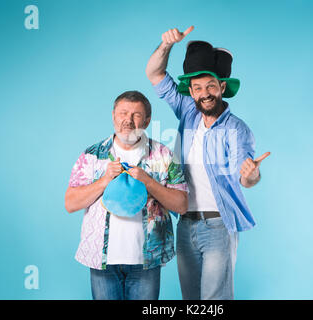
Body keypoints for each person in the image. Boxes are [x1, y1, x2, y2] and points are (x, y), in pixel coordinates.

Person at [146, 26, 271, 300]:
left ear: (222, 87)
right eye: (198, 88)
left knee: (214, 301)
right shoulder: (188, 111)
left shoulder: (237, 130)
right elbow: (154, 74)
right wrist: (166, 45)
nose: (205, 94)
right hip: (185, 224)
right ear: (190, 91)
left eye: (211, 86)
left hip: (217, 226)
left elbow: (245, 176)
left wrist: (252, 175)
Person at [64, 90, 188, 300]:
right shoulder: (92, 155)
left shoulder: (164, 156)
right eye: (123, 113)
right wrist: (103, 181)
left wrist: (148, 181)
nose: (128, 120)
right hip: (102, 261)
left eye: (136, 115)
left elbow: (182, 205)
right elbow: (70, 203)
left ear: (147, 120)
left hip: (146, 261)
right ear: (113, 116)